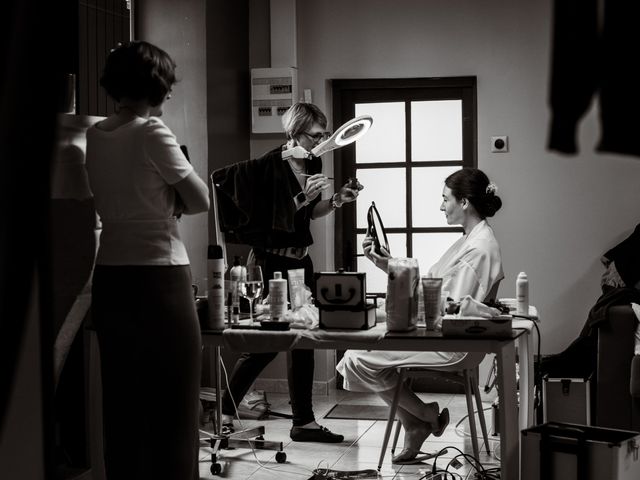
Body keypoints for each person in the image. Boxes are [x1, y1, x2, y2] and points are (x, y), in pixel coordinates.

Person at [86, 41, 210, 480]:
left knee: (123, 406)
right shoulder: (152, 133)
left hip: (111, 278)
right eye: (169, 84)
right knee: (175, 408)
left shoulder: (95, 135)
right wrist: (168, 199)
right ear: (156, 85)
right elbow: (199, 201)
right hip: (160, 279)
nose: (172, 93)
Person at [213, 102, 361, 442]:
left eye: (325, 135)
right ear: (294, 132)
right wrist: (298, 199)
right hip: (269, 263)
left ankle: (304, 423)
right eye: (316, 135)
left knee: (304, 339)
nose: (321, 142)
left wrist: (337, 200)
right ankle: (222, 411)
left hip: (300, 262)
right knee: (266, 344)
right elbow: (258, 221)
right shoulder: (266, 167)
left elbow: (310, 213)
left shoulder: (314, 160)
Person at [337, 168, 504, 463]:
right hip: (439, 331)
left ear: (464, 202)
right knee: (357, 355)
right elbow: (432, 284)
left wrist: (392, 306)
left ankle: (422, 416)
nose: (441, 206)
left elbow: (448, 306)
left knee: (356, 358)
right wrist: (388, 263)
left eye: (445, 199)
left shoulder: (478, 248)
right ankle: (416, 421)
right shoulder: (471, 239)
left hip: (450, 343)